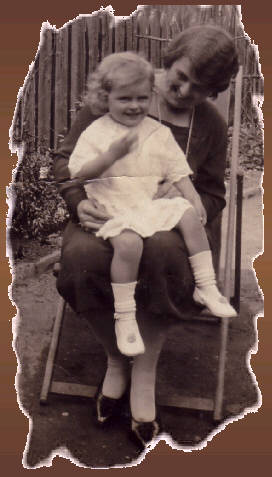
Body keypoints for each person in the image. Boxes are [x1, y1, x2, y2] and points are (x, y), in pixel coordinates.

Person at [53, 24, 239, 449]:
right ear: (169, 60)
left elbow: (212, 192)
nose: (183, 89)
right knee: (82, 259)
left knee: (165, 257)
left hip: (169, 224)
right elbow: (69, 161)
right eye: (180, 75)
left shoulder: (209, 123)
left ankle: (145, 369)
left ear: (213, 91)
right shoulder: (124, 88)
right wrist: (77, 200)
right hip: (106, 213)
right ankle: (118, 357)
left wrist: (187, 203)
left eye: (199, 87)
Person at [67, 52, 236, 358]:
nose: (135, 106)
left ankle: (206, 285)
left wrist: (193, 198)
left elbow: (177, 169)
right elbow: (78, 173)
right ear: (106, 98)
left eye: (142, 98)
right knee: (129, 245)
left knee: (186, 213)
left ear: (151, 96)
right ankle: (125, 315)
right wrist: (110, 156)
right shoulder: (97, 130)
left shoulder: (157, 131)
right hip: (113, 205)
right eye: (125, 99)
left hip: (145, 203)